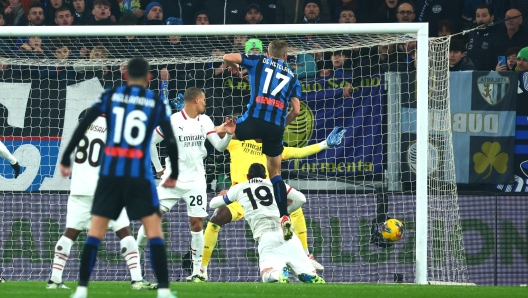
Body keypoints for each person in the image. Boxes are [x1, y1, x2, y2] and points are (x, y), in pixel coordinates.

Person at [60, 57, 180, 298]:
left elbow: (82, 126)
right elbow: (169, 138)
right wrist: (173, 172)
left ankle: (81, 290)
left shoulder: (110, 96)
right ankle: (164, 291)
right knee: (154, 230)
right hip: (139, 174)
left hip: (111, 173)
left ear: (125, 75)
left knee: (95, 231)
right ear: (149, 77)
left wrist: (65, 158)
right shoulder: (155, 101)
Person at [198, 125, 347, 280]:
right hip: (240, 195)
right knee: (216, 218)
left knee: (294, 208)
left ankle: (306, 254)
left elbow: (299, 152)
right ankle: (201, 270)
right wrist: (199, 122)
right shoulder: (237, 141)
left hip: (266, 196)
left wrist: (325, 144)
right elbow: (212, 134)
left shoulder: (274, 147)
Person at [46, 115, 154, 290]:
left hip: (79, 190)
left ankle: (54, 280)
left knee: (70, 234)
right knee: (124, 232)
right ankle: (137, 280)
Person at [139, 87, 236, 282]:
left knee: (197, 223)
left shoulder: (205, 121)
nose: (206, 103)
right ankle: (135, 263)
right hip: (172, 179)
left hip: (196, 180)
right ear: (195, 100)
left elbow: (218, 147)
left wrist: (228, 134)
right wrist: (158, 168)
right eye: (204, 100)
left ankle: (197, 272)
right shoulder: (173, 120)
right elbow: (150, 141)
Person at [223, 39, 301, 241]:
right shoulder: (293, 76)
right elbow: (297, 110)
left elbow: (227, 57)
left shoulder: (258, 61)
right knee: (275, 173)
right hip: (275, 125)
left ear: (268, 53)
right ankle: (284, 215)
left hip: (253, 120)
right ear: (286, 56)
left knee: (225, 131)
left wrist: (236, 69)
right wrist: (280, 126)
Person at [209, 163, 325, 283]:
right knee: (308, 272)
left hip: (266, 236)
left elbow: (212, 204)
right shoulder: (275, 184)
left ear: (248, 176)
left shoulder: (239, 188)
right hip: (287, 233)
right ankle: (308, 273)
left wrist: (223, 195)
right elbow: (301, 199)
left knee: (267, 274)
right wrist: (285, 212)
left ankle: (278, 274)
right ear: (265, 176)